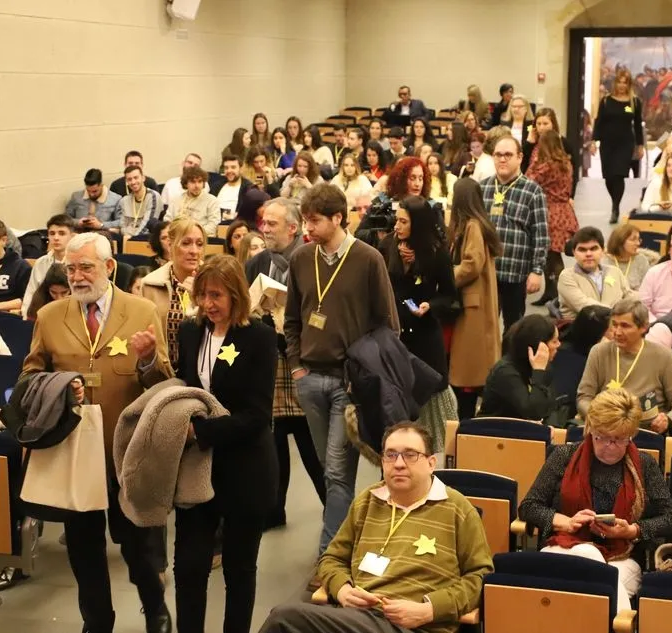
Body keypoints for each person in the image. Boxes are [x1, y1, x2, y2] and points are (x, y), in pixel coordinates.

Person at [21, 232, 173, 633]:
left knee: (138, 546)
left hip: (126, 452)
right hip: (74, 453)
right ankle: (97, 621)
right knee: (84, 548)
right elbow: (29, 376)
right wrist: (56, 387)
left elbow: (163, 384)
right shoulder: (50, 316)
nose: (77, 276)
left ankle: (155, 608)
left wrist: (146, 360)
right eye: (71, 268)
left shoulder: (141, 311)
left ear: (109, 267)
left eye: (85, 267)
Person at [257, 422, 493, 633]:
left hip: (417, 626)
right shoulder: (367, 501)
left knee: (284, 620)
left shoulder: (458, 509)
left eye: (410, 455)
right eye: (390, 455)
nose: (398, 464)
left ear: (431, 463)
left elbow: (480, 577)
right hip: (358, 617)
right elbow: (331, 558)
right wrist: (343, 590)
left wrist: (429, 610)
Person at [285, 183, 399, 556]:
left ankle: (329, 555)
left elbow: (388, 326)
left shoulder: (368, 259)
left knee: (336, 471)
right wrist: (296, 368)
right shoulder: (302, 259)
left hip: (347, 384)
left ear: (338, 218)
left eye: (315, 221)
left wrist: (363, 378)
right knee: (329, 469)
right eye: (305, 220)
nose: (308, 228)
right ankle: (349, 540)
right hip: (309, 379)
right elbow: (292, 320)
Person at [170, 255, 277, 633]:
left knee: (239, 568)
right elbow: (183, 387)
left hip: (245, 470)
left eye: (216, 295)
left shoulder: (260, 337)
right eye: (201, 295)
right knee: (188, 566)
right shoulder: (190, 331)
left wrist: (200, 433)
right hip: (197, 471)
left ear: (236, 295)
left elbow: (257, 414)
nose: (207, 304)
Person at [518, 388, 672, 612]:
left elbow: (670, 519)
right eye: (601, 437)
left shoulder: (644, 465)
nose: (609, 446)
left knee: (585, 585)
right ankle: (623, 623)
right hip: (564, 546)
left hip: (621, 557)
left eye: (618, 440)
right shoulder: (564, 456)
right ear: (590, 429)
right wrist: (566, 522)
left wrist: (631, 531)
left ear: (631, 436)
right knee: (589, 565)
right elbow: (528, 507)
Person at [244, 198, 327, 529]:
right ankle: (274, 510)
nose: (264, 229)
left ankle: (334, 514)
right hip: (269, 366)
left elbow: (322, 314)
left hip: (303, 364)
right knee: (274, 444)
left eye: (272, 224)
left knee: (312, 447)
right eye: (263, 223)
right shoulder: (257, 263)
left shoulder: (312, 261)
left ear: (293, 228)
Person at [379, 196, 461, 455]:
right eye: (397, 220)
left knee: (433, 404)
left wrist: (430, 306)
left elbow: (449, 296)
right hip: (395, 340)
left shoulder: (437, 252)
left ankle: (432, 459)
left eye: (404, 222)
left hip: (425, 341)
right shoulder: (387, 246)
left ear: (419, 223)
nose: (397, 226)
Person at [577, 299, 672, 435]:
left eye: (625, 326)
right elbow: (584, 398)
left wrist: (668, 419)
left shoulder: (663, 356)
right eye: (614, 325)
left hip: (646, 432)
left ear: (643, 327)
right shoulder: (599, 352)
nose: (617, 332)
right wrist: (597, 417)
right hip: (604, 431)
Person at [448, 179, 502, 421]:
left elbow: (472, 264)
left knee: (469, 372)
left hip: (473, 307)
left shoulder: (472, 226)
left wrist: (446, 276)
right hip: (476, 304)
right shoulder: (478, 224)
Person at [482, 136, 549, 330]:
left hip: (516, 273)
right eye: (498, 155)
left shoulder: (533, 191)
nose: (502, 159)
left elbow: (541, 234)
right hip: (487, 272)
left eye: (508, 155)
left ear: (519, 157)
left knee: (514, 328)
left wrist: (537, 271)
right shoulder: (482, 187)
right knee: (486, 327)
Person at [141, 218, 204, 369]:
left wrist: (199, 300)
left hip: (204, 371)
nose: (194, 251)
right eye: (186, 243)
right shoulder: (150, 284)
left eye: (199, 244)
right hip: (164, 372)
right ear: (170, 245)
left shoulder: (215, 282)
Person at [478, 314, 562, 423]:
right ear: (538, 346)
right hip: (496, 429)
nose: (559, 344)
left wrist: (554, 428)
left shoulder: (545, 367)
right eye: (554, 341)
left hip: (525, 430)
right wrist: (538, 373)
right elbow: (533, 413)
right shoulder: (505, 372)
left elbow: (551, 406)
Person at [526, 130, 577, 306]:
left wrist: (534, 158)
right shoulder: (566, 163)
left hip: (549, 212)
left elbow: (529, 179)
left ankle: (557, 296)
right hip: (564, 211)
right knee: (551, 256)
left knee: (552, 257)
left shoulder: (546, 165)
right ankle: (551, 293)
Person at [593, 69, 644, 223]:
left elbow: (637, 125)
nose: (622, 86)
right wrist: (593, 141)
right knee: (608, 177)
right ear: (615, 83)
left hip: (625, 143)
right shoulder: (606, 101)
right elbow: (599, 121)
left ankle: (615, 207)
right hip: (607, 143)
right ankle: (614, 201)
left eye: (625, 83)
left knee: (619, 174)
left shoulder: (634, 102)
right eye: (619, 82)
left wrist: (640, 145)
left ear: (629, 85)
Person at [558, 227, 635, 321]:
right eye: (582, 250)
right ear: (574, 253)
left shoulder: (615, 271)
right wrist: (618, 314)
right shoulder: (567, 276)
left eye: (593, 249)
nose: (588, 254)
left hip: (617, 325)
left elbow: (630, 297)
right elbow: (585, 306)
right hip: (583, 326)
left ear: (603, 250)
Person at [21, 214, 75, 317]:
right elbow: (30, 294)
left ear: (72, 236)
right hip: (44, 314)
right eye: (52, 233)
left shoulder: (77, 262)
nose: (56, 238)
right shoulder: (41, 263)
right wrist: (26, 317)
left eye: (62, 233)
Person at [163, 165, 221, 237]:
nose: (197, 186)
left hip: (202, 239)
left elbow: (213, 226)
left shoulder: (212, 201)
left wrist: (192, 234)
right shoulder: (176, 200)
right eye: (193, 182)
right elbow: (167, 221)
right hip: (177, 237)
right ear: (186, 184)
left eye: (200, 182)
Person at [65, 168, 123, 233]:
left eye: (95, 191)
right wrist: (77, 222)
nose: (91, 194)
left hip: (103, 234)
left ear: (101, 185)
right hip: (80, 234)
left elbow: (121, 222)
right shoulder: (76, 197)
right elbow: (65, 219)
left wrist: (101, 225)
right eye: (88, 191)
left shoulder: (115, 199)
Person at [119, 164, 163, 238]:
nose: (133, 182)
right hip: (127, 237)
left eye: (136, 178)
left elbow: (148, 226)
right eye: (129, 179)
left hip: (146, 237)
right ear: (126, 182)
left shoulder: (153, 196)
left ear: (143, 178)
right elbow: (122, 226)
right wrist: (127, 236)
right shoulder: (124, 200)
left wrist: (133, 238)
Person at [603, 224, 649, 291]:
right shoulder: (603, 261)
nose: (638, 243)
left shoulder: (641, 260)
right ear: (620, 240)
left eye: (639, 239)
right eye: (633, 239)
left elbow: (647, 289)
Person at [213, 155, 254, 223]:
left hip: (234, 225)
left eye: (233, 167)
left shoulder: (248, 188)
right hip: (213, 222)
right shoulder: (216, 186)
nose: (229, 171)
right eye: (226, 168)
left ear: (240, 169)